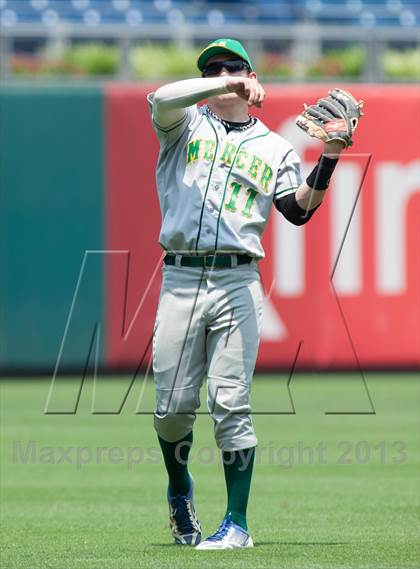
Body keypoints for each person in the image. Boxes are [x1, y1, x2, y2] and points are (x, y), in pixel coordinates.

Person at [147, 38, 352, 550]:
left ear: (253, 73)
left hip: (237, 280)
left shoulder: (275, 146)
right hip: (179, 278)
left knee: (230, 403)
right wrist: (223, 83)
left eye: (231, 66)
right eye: (211, 68)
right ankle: (179, 488)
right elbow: (160, 98)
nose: (220, 74)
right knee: (171, 410)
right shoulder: (185, 125)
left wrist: (328, 155)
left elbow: (299, 209)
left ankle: (236, 524)